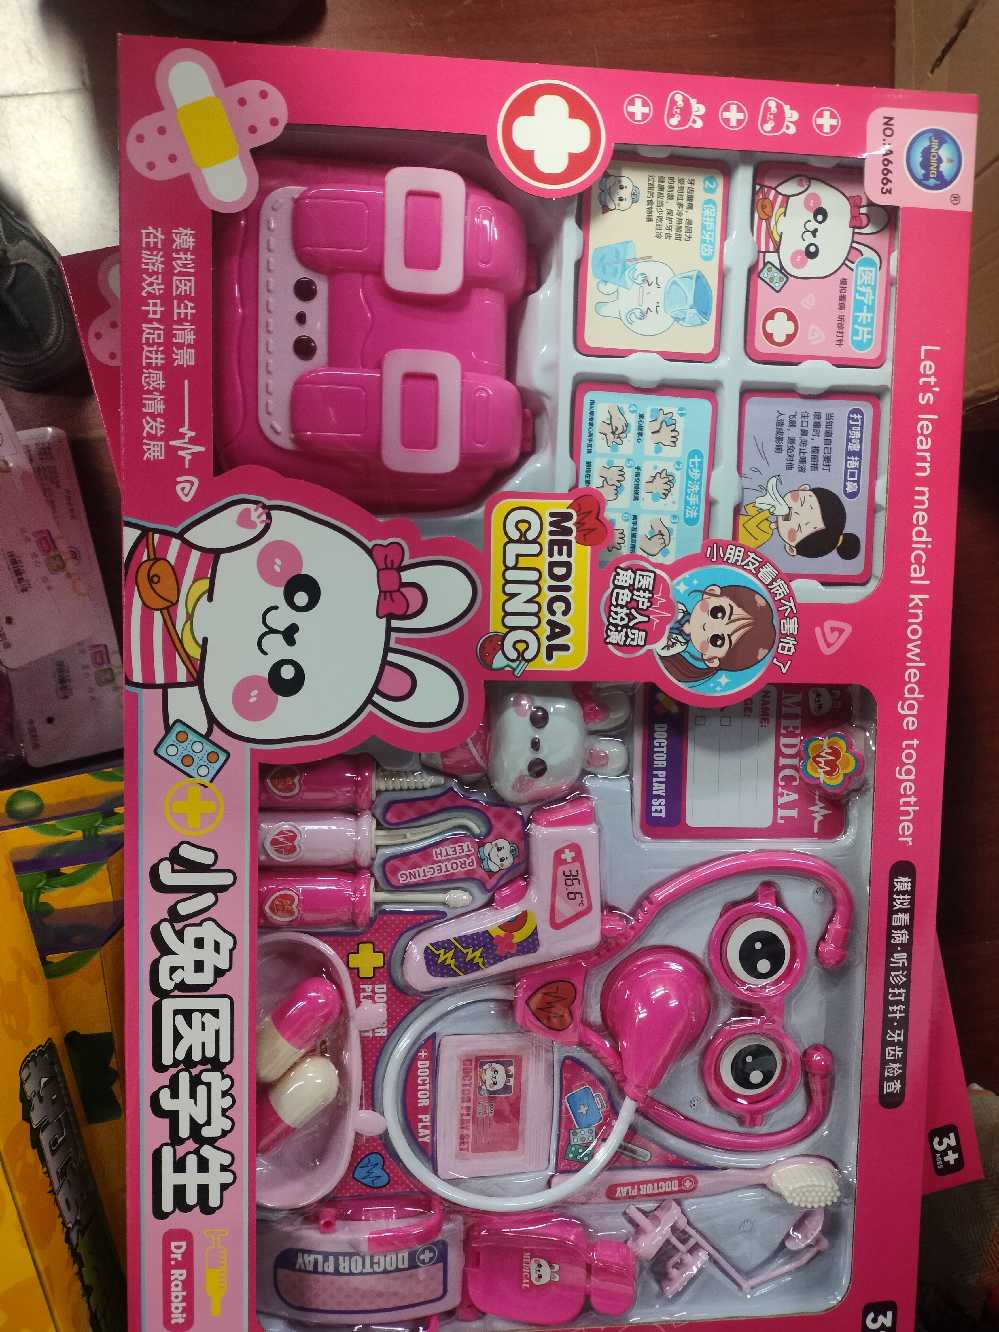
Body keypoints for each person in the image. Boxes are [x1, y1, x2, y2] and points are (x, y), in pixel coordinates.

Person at [658, 583, 776, 686]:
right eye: (717, 613)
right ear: (711, 593)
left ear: (711, 659)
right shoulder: (675, 606)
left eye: (717, 640)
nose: (707, 626)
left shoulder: (676, 646)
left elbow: (657, 650)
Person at [739, 476, 860, 561]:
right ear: (803, 489)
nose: (794, 514)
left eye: (797, 528)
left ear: (791, 549)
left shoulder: (765, 532)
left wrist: (768, 512)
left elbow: (746, 528)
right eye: (801, 503)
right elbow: (747, 508)